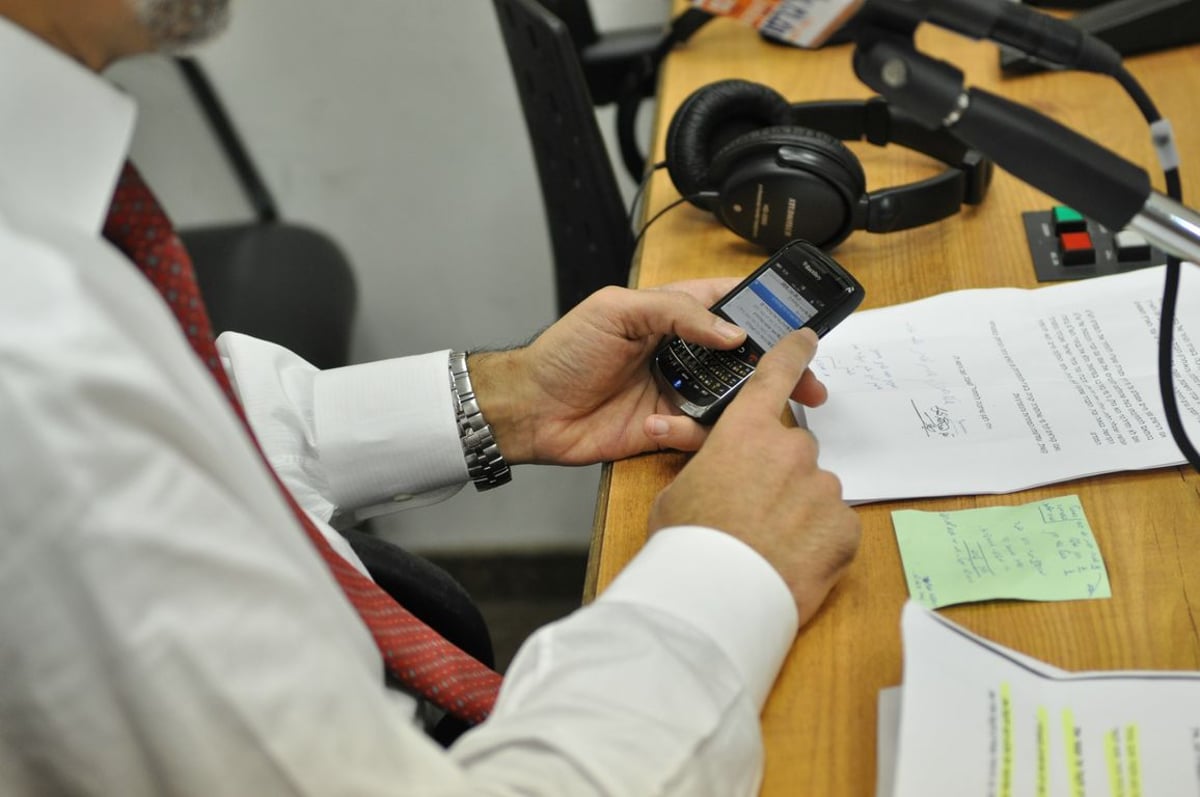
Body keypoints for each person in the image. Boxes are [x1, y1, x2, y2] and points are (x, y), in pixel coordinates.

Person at [0, 0, 861, 794]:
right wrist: (726, 566)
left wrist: (512, 399)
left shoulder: (45, 229)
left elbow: (199, 419)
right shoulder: (35, 381)